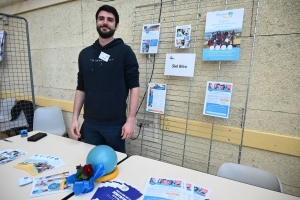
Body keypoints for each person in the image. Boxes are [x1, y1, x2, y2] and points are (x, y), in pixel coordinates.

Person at [70, 5, 140, 153]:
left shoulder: (125, 52)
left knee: (116, 163)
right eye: (101, 19)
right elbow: (81, 87)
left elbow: (134, 86)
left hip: (115, 125)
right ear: (96, 22)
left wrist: (131, 119)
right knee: (91, 163)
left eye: (110, 20)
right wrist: (75, 118)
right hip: (90, 124)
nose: (105, 23)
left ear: (116, 25)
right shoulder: (85, 54)